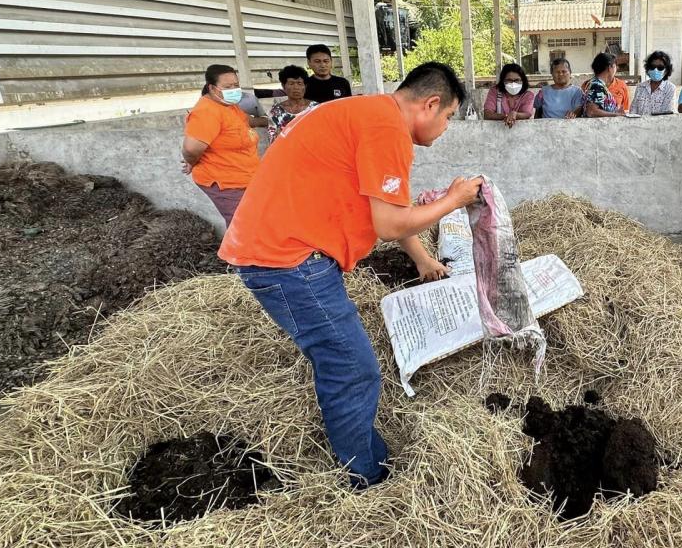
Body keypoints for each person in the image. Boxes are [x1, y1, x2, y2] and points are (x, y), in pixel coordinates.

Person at [218, 62, 482, 489]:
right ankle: (364, 475)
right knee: (352, 367)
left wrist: (421, 259)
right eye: (449, 117)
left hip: (283, 250)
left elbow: (380, 205)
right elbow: (391, 224)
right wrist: (454, 200)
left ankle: (366, 454)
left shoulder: (368, 115)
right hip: (289, 259)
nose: (445, 127)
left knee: (343, 359)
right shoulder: (387, 130)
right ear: (430, 104)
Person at [181, 64, 261, 226]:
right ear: (211, 87)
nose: (234, 89)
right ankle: (236, 252)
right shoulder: (206, 112)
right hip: (226, 183)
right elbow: (191, 149)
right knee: (243, 226)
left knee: (254, 221)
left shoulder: (227, 105)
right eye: (227, 86)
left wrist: (266, 121)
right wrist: (192, 162)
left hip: (245, 177)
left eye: (236, 85)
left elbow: (245, 121)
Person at [267, 65, 319, 139]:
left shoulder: (316, 108)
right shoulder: (276, 111)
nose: (296, 87)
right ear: (283, 86)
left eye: (299, 83)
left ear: (305, 86)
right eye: (291, 84)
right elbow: (273, 138)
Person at [483, 63, 535, 128]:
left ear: (523, 81)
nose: (513, 83)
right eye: (509, 80)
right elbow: (487, 114)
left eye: (517, 80)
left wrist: (514, 114)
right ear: (503, 81)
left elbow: (527, 113)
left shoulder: (528, 95)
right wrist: (507, 116)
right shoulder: (495, 92)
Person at [630, 51, 678, 115]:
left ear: (666, 71)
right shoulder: (640, 87)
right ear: (648, 69)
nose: (655, 70)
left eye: (660, 67)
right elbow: (633, 111)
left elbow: (667, 114)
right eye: (652, 67)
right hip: (638, 124)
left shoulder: (670, 88)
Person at [584, 52, 626, 117]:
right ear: (609, 68)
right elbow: (591, 111)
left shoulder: (597, 83)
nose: (616, 69)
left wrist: (615, 110)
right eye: (615, 66)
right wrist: (616, 114)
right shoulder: (597, 86)